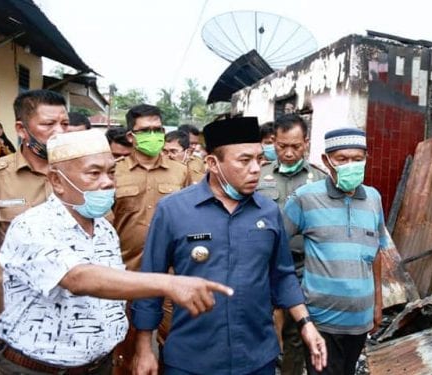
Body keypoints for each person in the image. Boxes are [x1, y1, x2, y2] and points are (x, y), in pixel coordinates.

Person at [0, 129, 233, 375]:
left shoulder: (105, 229)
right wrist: (168, 283)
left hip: (99, 366)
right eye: (94, 173)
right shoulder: (33, 225)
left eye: (110, 172)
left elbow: (112, 294)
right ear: (57, 181)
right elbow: (78, 278)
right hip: (37, 369)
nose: (108, 182)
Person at [131, 117, 327, 375]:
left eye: (259, 159)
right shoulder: (174, 210)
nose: (256, 169)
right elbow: (150, 282)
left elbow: (282, 275)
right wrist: (143, 348)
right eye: (244, 161)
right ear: (212, 163)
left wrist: (305, 324)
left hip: (256, 357)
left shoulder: (267, 212)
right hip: (192, 359)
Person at [283, 127, 389, 375]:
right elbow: (274, 245)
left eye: (357, 158)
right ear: (326, 161)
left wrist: (378, 304)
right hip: (320, 321)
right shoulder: (304, 199)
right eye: (342, 159)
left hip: (360, 320)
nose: (350, 164)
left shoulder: (374, 198)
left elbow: (376, 253)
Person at [0, 90, 71, 369]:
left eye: (65, 124)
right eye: (48, 125)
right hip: (17, 328)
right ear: (21, 129)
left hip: (78, 328)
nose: (59, 132)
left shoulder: (84, 174)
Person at [111, 104, 191, 373]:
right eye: (146, 130)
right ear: (131, 136)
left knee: (176, 345)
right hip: (125, 276)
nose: (154, 135)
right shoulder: (113, 172)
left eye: (158, 130)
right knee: (124, 350)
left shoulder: (180, 172)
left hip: (172, 276)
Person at [256, 114, 327, 375]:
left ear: (306, 143)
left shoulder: (320, 180)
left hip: (301, 266)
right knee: (258, 323)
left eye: (295, 146)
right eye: (281, 146)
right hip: (262, 264)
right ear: (274, 142)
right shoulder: (258, 176)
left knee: (297, 330)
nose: (287, 153)